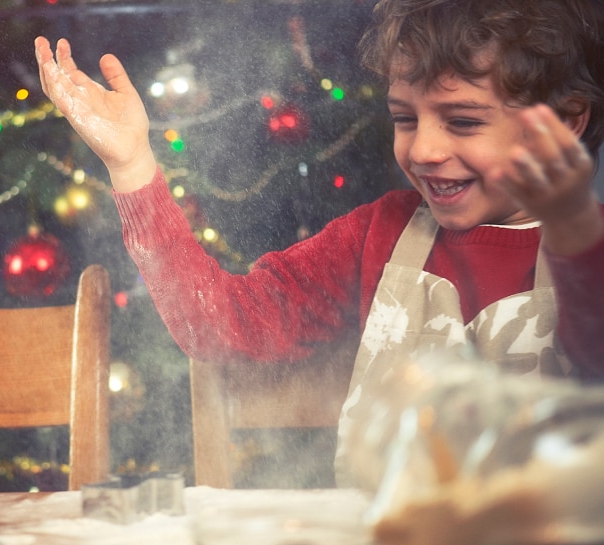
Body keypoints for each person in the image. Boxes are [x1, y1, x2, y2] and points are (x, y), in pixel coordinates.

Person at [36, 0, 604, 485]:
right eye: (405, 118)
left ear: (565, 120)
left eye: (462, 121)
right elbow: (220, 326)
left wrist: (577, 234)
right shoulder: (379, 234)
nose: (424, 149)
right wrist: (134, 166)